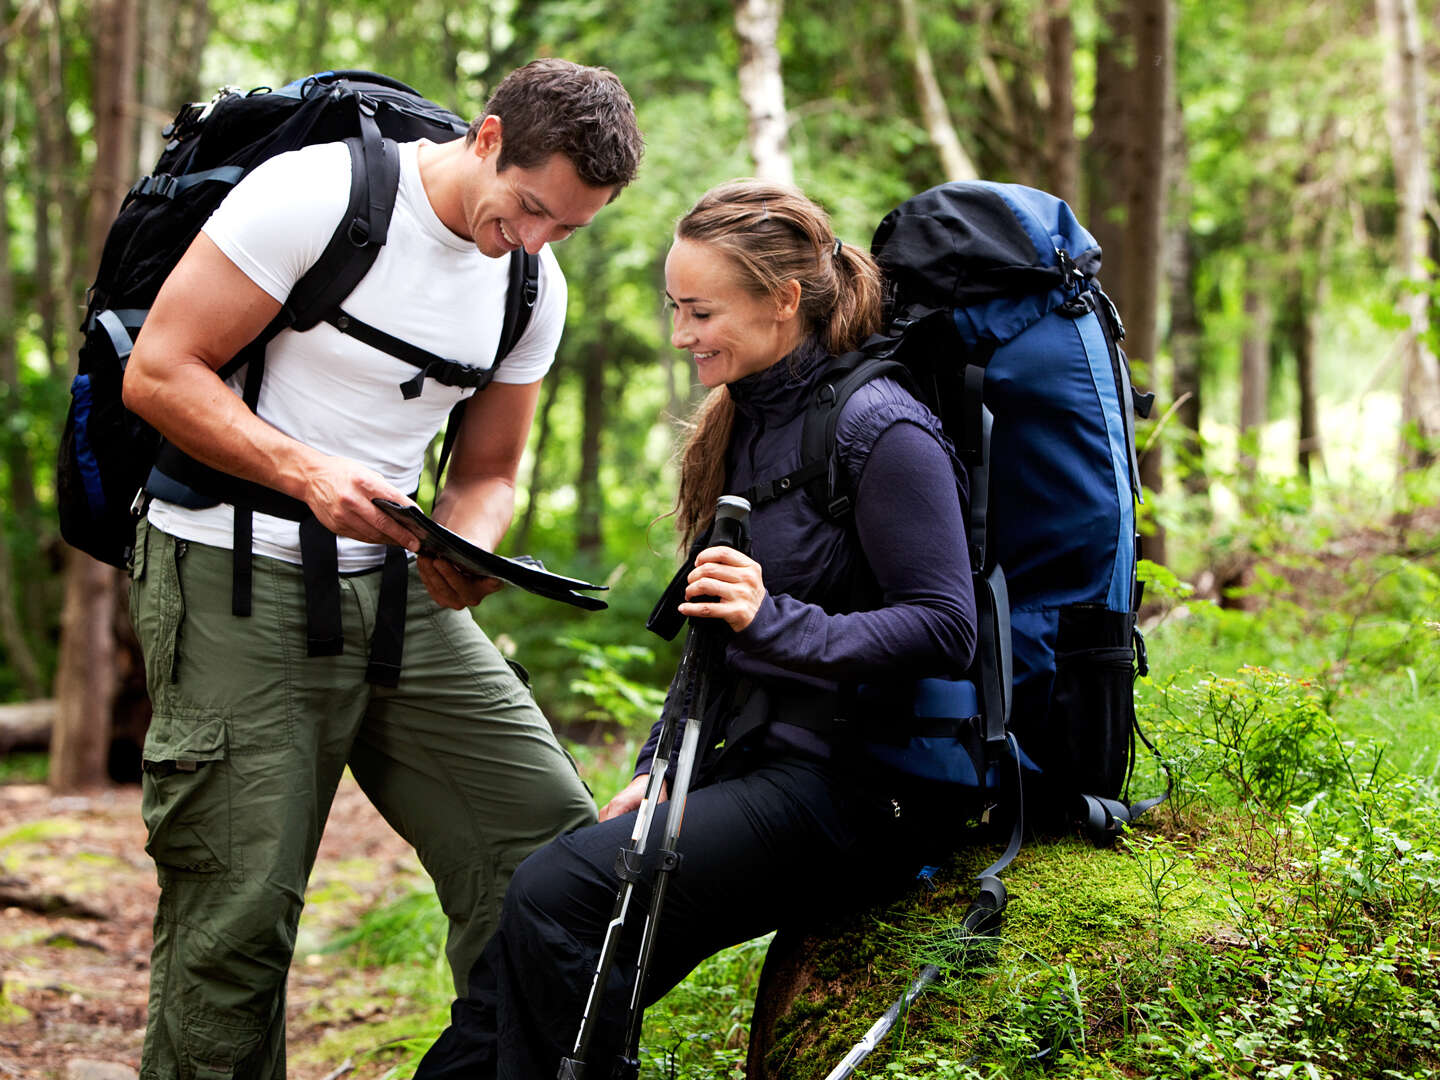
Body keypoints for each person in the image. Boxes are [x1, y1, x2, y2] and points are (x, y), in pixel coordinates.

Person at [120, 59, 643, 1080]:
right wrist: (303, 468)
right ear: (487, 140)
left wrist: (466, 544)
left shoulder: (532, 283)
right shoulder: (316, 195)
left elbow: (490, 469)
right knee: (238, 912)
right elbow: (159, 371)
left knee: (548, 852)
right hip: (230, 568)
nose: (535, 239)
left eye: (568, 228)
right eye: (531, 208)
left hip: (396, 589)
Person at [414, 179, 978, 1078]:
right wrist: (657, 767)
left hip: (860, 793)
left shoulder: (882, 426)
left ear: (783, 300)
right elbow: (712, 644)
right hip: (755, 765)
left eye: (700, 311)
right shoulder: (747, 420)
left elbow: (948, 629)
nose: (681, 335)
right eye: (675, 308)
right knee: (548, 954)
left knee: (558, 895)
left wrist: (778, 619)